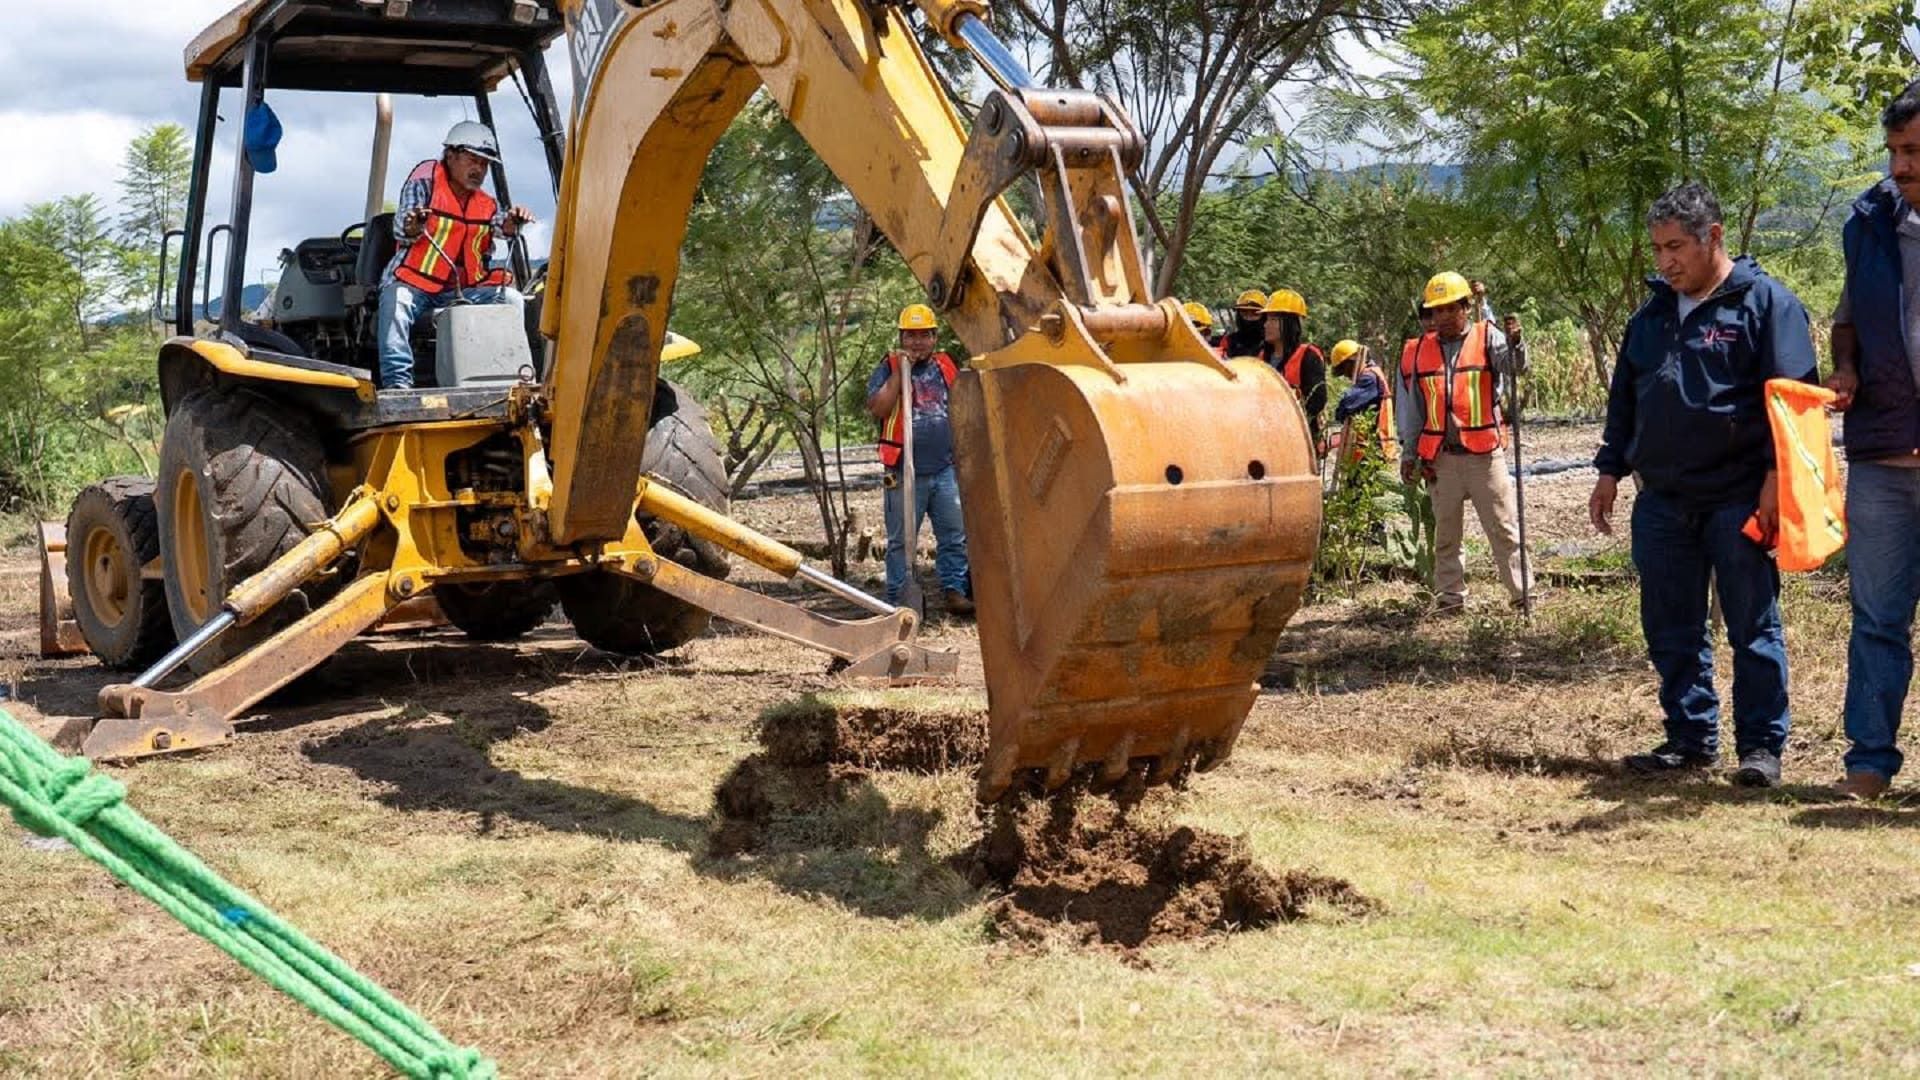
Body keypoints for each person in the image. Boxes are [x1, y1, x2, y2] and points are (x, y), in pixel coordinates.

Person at [1588, 182, 1818, 788]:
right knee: (1672, 629)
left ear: (1713, 237)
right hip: (1663, 500)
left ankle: (1761, 748)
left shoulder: (1766, 305)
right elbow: (1625, 400)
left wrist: (1775, 480)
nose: (1665, 262)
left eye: (1676, 248)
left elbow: (1793, 404)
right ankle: (1690, 740)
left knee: (1752, 627)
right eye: (1657, 249)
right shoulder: (1651, 315)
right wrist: (1609, 470)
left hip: (1739, 496)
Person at [1823, 78, 1920, 800]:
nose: (1900, 166)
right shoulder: (1869, 221)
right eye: (1894, 151)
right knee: (1878, 620)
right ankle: (1868, 766)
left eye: (1913, 151)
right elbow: (1847, 316)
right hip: (1884, 456)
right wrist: (1847, 366)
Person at [1399, 270, 1530, 613]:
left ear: (1466, 308)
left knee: (1504, 529)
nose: (1442, 316)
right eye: (1437, 310)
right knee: (1446, 536)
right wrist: (1409, 453)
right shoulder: (1420, 350)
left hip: (1484, 455)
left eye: (1450, 309)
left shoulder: (1487, 336)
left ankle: (1522, 595)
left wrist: (1516, 343)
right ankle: (1450, 599)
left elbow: (1514, 367)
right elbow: (1414, 409)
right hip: (1441, 458)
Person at [376, 120, 534, 390]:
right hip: (415, 286)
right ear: (450, 156)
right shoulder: (424, 186)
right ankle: (397, 386)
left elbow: (500, 225)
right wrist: (414, 225)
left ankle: (511, 379)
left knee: (511, 299)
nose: (479, 169)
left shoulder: (485, 203)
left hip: (460, 292)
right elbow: (403, 227)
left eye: (484, 164)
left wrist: (513, 221)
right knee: (396, 301)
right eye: (473, 160)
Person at [866, 304, 973, 615]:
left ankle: (955, 591)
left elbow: (964, 402)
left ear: (934, 337)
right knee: (901, 541)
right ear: (902, 337)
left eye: (923, 335)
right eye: (910, 336)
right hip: (904, 471)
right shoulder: (888, 366)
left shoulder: (944, 365)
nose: (917, 342)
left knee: (954, 535)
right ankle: (898, 600)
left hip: (945, 469)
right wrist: (900, 372)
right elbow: (879, 408)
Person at [1260, 288, 1327, 450]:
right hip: (1265, 440)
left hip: (1300, 442)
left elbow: (1316, 401)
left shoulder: (1308, 355)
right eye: (1267, 319)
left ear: (1290, 323)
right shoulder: (1261, 358)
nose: (1266, 325)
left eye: (1273, 320)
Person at [1215, 289, 1267, 359]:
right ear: (1238, 316)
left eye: (1255, 313)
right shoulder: (1228, 341)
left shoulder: (1273, 343)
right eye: (1244, 312)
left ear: (1264, 316)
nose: (1248, 318)